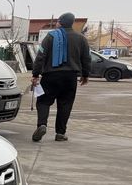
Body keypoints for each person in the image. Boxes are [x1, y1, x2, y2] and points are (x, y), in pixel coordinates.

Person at [31, 12, 90, 142]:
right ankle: (60, 134)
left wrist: (35, 74)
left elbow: (40, 57)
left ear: (61, 22)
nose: (56, 23)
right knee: (65, 104)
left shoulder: (50, 37)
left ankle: (42, 125)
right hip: (70, 77)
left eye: (58, 21)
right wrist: (85, 75)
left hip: (50, 76)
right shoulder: (81, 38)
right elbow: (86, 58)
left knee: (43, 101)